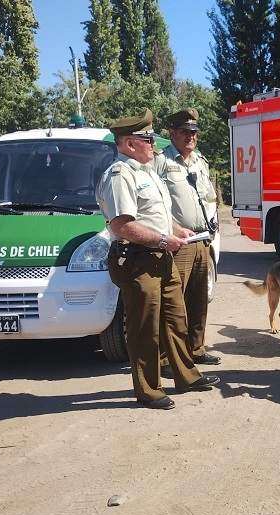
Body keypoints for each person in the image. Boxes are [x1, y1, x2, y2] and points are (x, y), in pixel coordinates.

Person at [96, 109, 219, 410]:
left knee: (176, 320)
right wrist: (165, 240)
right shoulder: (120, 174)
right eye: (147, 138)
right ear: (128, 143)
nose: (153, 143)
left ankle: (186, 376)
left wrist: (177, 230)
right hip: (139, 260)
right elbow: (122, 225)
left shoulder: (147, 171)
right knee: (144, 328)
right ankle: (149, 389)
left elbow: (157, 216)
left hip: (162, 256)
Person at [153, 108, 221, 379]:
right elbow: (155, 205)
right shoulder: (160, 162)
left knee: (198, 298)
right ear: (171, 133)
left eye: (193, 132)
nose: (190, 137)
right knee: (173, 303)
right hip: (178, 242)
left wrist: (214, 224)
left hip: (202, 239)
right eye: (184, 132)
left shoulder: (200, 162)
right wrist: (171, 229)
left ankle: (196, 348)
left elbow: (209, 198)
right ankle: (166, 359)